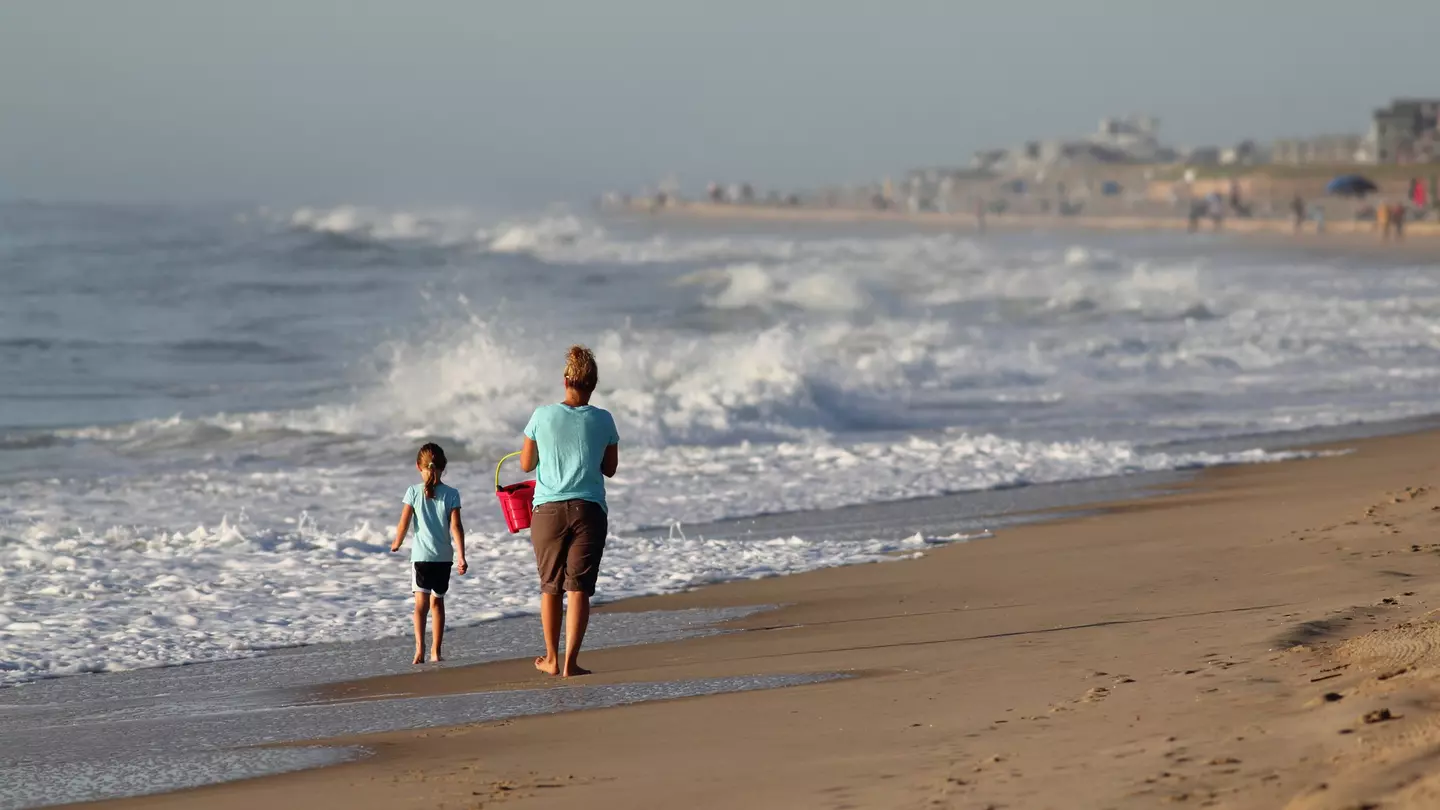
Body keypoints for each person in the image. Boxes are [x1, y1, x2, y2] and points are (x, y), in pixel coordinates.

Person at [521, 345, 619, 677]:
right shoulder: (604, 419)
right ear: (592, 384)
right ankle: (570, 662)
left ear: (566, 379)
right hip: (589, 510)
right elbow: (610, 468)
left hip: (547, 511)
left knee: (550, 585)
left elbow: (525, 464)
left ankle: (550, 657)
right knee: (578, 587)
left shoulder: (541, 416)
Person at [390, 443, 467, 664]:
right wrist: (461, 556)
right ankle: (436, 651)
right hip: (443, 558)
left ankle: (419, 650)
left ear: (418, 466)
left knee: (420, 606)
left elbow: (404, 523)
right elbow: (456, 527)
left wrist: (397, 542)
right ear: (444, 467)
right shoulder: (452, 494)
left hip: (421, 557)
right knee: (438, 604)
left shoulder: (413, 492)